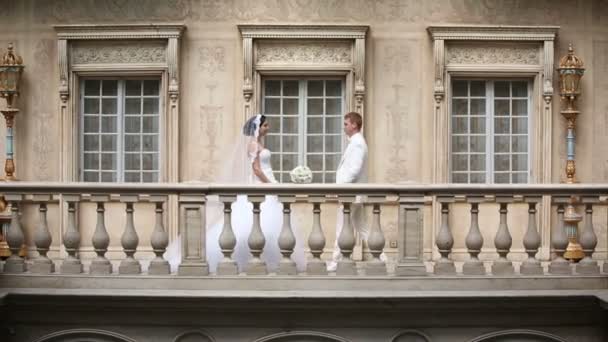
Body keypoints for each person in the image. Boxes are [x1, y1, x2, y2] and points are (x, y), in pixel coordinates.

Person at [166, 114, 306, 273]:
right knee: (256, 225)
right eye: (265, 125)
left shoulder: (258, 143)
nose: (268, 128)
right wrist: (271, 185)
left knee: (269, 225)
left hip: (267, 181)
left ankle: (266, 258)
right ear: (257, 128)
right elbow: (256, 169)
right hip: (262, 184)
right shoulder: (253, 145)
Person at [327, 112, 369, 272]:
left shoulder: (357, 143)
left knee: (341, 227)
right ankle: (383, 257)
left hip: (350, 194)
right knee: (363, 228)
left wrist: (342, 188)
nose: (344, 126)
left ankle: (335, 261)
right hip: (354, 194)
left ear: (354, 125)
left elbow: (354, 170)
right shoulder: (357, 142)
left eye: (346, 124)